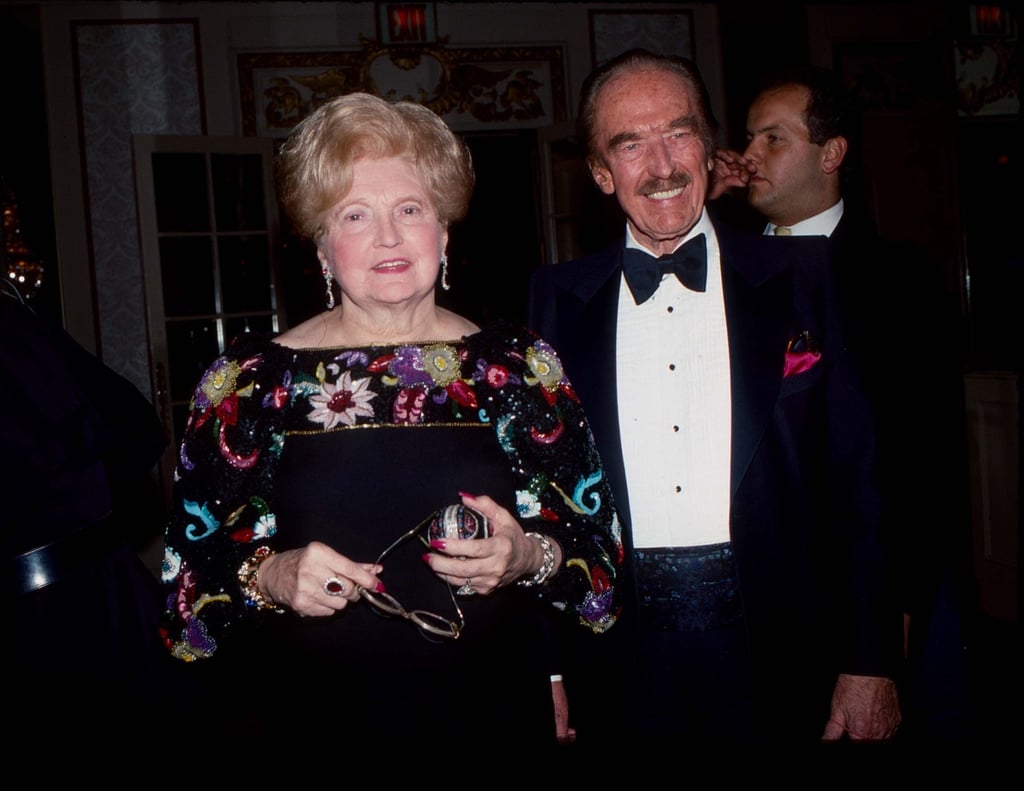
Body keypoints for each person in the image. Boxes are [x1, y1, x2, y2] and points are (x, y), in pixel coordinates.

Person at [159, 92, 622, 748]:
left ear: (445, 230)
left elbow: (601, 569)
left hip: (494, 716)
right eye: (355, 214)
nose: (388, 236)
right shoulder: (250, 382)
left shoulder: (517, 366)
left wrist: (527, 555)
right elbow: (184, 602)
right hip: (311, 724)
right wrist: (269, 574)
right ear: (322, 247)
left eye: (410, 208)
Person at [527, 49, 903, 745]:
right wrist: (549, 668)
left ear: (708, 145)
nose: (662, 164)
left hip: (784, 645)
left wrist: (871, 660)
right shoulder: (555, 301)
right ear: (602, 173)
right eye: (630, 144)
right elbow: (540, 498)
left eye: (679, 132)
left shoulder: (806, 277)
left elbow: (864, 480)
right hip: (616, 653)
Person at [709, 65, 973, 740]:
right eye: (748, 137)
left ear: (831, 154)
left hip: (877, 578)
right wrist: (702, 201)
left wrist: (896, 606)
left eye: (775, 138)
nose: (751, 155)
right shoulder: (722, 273)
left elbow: (925, 452)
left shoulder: (899, 278)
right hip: (758, 589)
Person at [1, 279, 175, 752]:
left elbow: (136, 428)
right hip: (111, 594)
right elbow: (137, 430)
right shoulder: (13, 313)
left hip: (54, 619)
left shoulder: (11, 315)